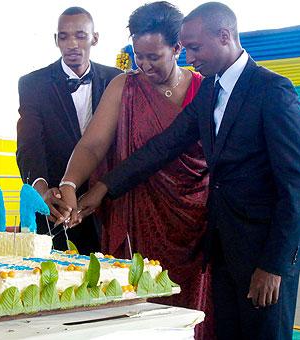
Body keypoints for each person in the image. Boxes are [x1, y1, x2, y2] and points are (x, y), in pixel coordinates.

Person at [63, 2, 300, 339]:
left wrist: (275, 266)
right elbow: (161, 147)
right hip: (221, 251)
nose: (189, 57)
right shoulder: (210, 91)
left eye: (194, 47)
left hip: (263, 259)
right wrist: (102, 189)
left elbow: (295, 186)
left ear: (224, 36)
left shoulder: (272, 91)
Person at [59, 3, 213, 339]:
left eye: (154, 57)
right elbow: (92, 145)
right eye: (137, 56)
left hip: (196, 228)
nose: (144, 66)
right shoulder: (124, 87)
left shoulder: (208, 90)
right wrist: (70, 183)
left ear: (177, 48)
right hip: (137, 222)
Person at [16, 7, 121, 254]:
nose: (72, 44)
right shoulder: (33, 84)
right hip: (53, 206)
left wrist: (105, 188)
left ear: (95, 38)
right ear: (56, 40)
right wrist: (42, 191)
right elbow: (29, 145)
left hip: (105, 203)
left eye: (80, 36)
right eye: (64, 37)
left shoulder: (117, 79)